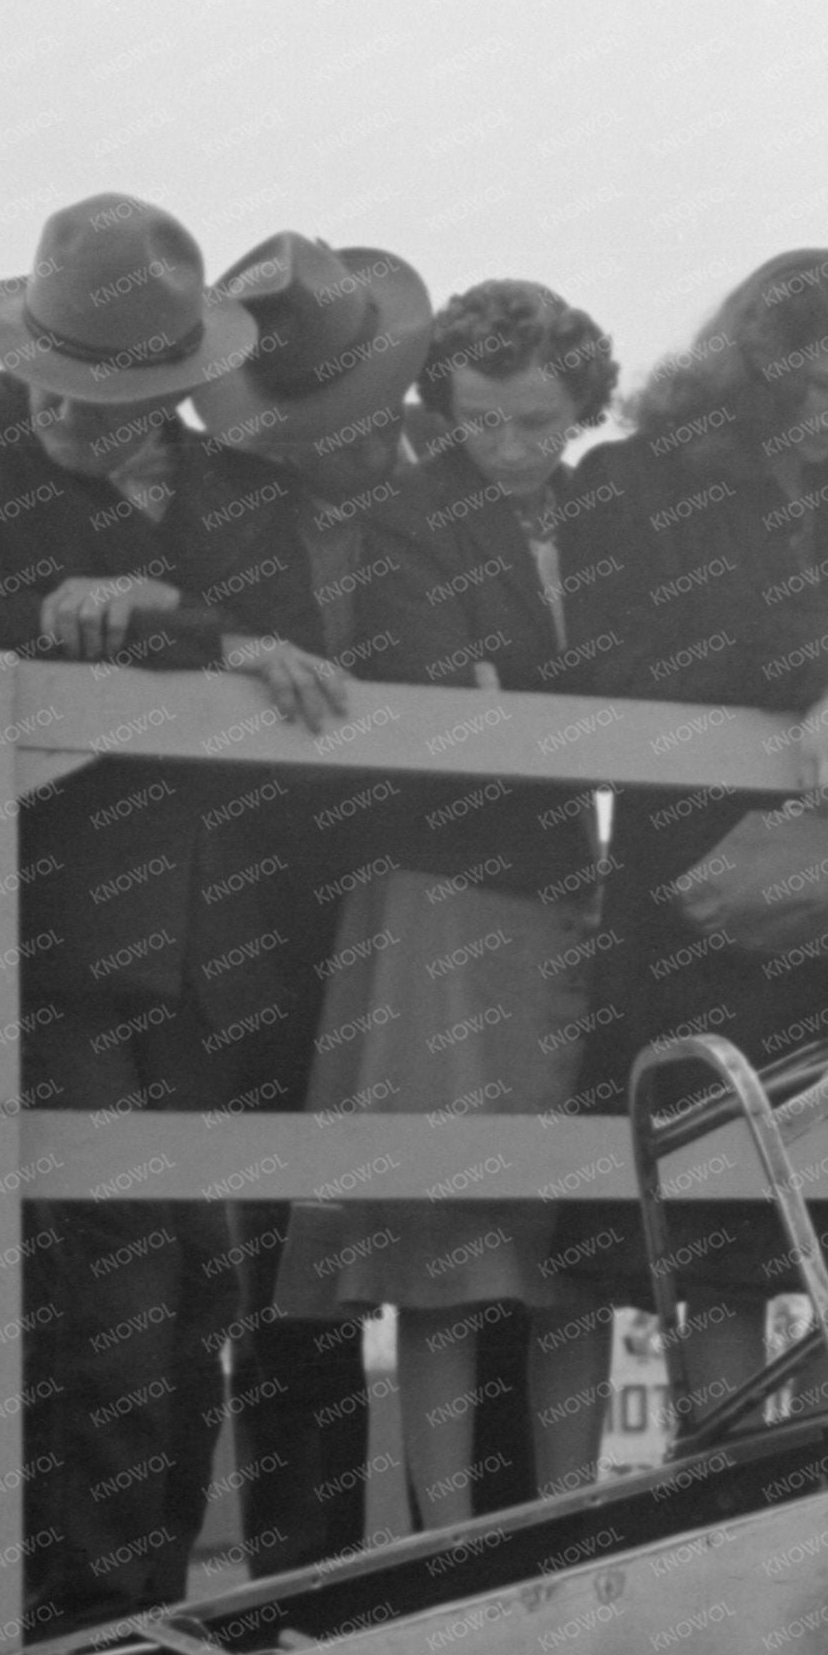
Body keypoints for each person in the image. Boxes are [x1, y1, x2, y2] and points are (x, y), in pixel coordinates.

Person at [0, 191, 346, 1641]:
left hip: (226, 955)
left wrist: (152, 611)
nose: (80, 421)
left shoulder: (244, 495)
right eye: (65, 386)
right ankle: (71, 1628)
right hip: (50, 945)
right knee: (94, 1312)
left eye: (123, 397)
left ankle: (141, 1630)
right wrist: (161, 614)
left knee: (194, 1303)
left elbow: (293, 644)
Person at [553, 249, 828, 1420]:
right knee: (712, 1236)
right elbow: (618, 657)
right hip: (689, 904)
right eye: (816, 384)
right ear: (754, 366)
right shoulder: (634, 480)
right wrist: (814, 659)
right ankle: (730, 1488)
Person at [276, 276, 622, 1520]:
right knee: (441, 1233)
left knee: (572, 1228)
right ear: (444, 404)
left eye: (541, 422)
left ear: (582, 407)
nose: (515, 448)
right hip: (441, 889)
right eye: (485, 419)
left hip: (573, 877)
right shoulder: (407, 509)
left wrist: (523, 676)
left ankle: (577, 1518)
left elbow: (598, 664)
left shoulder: (607, 507)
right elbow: (435, 676)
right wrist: (535, 681)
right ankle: (445, 1530)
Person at [164, 228, 433, 1574]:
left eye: (368, 409)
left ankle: (454, 1559)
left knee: (449, 1227)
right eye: (327, 417)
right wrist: (219, 646)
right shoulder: (210, 496)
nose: (357, 438)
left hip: (422, 898)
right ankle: (299, 1570)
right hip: (261, 907)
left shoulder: (446, 489)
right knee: (276, 1256)